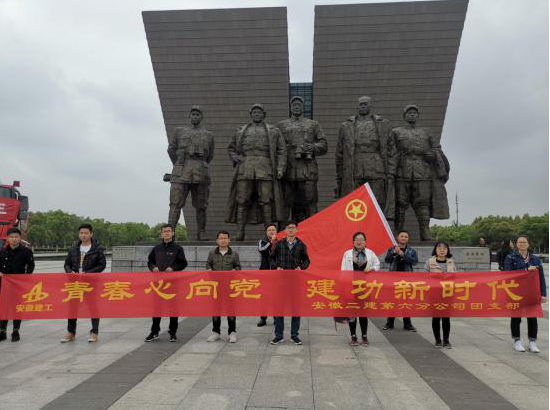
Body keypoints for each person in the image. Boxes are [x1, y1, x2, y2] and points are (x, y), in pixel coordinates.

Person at [226, 104, 287, 240]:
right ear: (251, 114)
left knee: (266, 201)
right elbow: (231, 148)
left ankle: (269, 234)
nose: (257, 114)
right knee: (242, 200)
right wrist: (235, 157)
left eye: (259, 112)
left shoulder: (274, 130)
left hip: (265, 168)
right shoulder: (241, 130)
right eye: (254, 112)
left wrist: (280, 168)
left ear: (264, 115)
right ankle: (240, 233)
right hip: (245, 167)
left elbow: (282, 151)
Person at [392, 105, 450, 240]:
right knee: (400, 204)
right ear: (404, 116)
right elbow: (391, 151)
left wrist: (433, 154)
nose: (412, 115)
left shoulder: (427, 132)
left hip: (422, 171)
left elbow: (437, 148)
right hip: (402, 171)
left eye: (414, 113)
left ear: (418, 116)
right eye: (409, 113)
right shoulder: (396, 132)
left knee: (423, 203)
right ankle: (397, 233)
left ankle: (425, 232)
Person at [335, 96, 395, 220]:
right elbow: (340, 152)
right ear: (357, 106)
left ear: (370, 106)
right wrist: (340, 174)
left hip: (376, 167)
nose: (363, 106)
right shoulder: (346, 125)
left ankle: (376, 226)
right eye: (360, 104)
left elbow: (391, 149)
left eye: (365, 104)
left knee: (377, 201)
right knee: (353, 203)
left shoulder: (383, 123)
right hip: (354, 167)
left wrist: (391, 171)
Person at [167, 105, 215, 241]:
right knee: (175, 203)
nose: (195, 117)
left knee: (201, 205)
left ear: (201, 117)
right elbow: (171, 150)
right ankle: (170, 233)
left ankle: (202, 232)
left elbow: (210, 156)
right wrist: (179, 163)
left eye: (197, 115)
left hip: (200, 172)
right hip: (181, 172)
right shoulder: (179, 131)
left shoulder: (209, 135)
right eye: (193, 114)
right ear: (189, 116)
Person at [277, 96, 328, 222]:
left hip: (307, 169)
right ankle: (282, 230)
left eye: (299, 104)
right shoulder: (281, 125)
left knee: (311, 200)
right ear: (290, 107)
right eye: (294, 104)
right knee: (285, 202)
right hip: (288, 170)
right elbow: (276, 147)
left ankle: (313, 229)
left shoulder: (313, 124)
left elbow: (324, 145)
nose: (296, 107)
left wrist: (313, 147)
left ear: (303, 107)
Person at [61, 224, 106, 343]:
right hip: (75, 283)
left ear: (91, 234)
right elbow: (66, 264)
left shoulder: (97, 249)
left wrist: (88, 273)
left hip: (90, 283)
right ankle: (71, 332)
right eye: (81, 233)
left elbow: (102, 265)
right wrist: (70, 272)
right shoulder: (73, 248)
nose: (83, 235)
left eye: (86, 233)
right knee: (72, 307)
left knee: (92, 307)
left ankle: (94, 332)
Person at [144, 224, 188, 342]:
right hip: (158, 284)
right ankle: (154, 332)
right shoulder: (157, 248)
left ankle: (172, 333)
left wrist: (173, 268)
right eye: (164, 231)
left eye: (169, 231)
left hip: (172, 283)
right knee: (156, 309)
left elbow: (183, 263)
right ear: (161, 234)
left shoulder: (178, 248)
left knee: (173, 309)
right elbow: (150, 262)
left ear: (173, 233)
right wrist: (153, 267)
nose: (167, 233)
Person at [504, 235, 547, 353]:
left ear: (528, 244)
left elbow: (541, 278)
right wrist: (526, 270)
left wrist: (543, 294)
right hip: (515, 292)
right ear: (516, 244)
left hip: (531, 292)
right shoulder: (511, 257)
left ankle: (532, 341)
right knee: (516, 317)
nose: (522, 244)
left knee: (532, 317)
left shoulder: (535, 259)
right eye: (520, 242)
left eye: (524, 242)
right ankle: (517, 341)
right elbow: (507, 273)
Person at [270, 221, 310, 345]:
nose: (291, 230)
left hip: (295, 281)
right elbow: (272, 258)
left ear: (297, 230)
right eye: (288, 228)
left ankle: (294, 335)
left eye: (293, 228)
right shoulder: (280, 243)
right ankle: (279, 335)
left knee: (296, 309)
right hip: (281, 281)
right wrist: (276, 267)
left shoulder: (301, 245)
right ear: (285, 230)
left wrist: (301, 267)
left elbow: (307, 261)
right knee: (279, 308)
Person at [340, 232, 380, 346]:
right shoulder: (347, 253)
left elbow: (377, 264)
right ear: (353, 242)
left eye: (361, 239)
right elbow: (343, 270)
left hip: (365, 287)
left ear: (365, 242)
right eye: (357, 239)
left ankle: (364, 336)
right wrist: (343, 286)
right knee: (352, 312)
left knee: (363, 312)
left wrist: (371, 269)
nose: (359, 241)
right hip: (351, 286)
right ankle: (353, 336)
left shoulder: (370, 253)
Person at [0, 227, 34, 342]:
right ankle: (2, 331)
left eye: (16, 237)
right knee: (3, 307)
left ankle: (15, 331)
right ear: (7, 238)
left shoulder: (26, 251)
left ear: (20, 238)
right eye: (11, 237)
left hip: (18, 285)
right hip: (3, 284)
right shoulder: (2, 251)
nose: (14, 239)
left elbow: (31, 265)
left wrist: (26, 277)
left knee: (17, 308)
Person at [206, 231, 241, 343]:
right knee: (216, 310)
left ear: (229, 240)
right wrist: (209, 269)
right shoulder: (212, 253)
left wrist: (235, 270)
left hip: (230, 287)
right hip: (216, 287)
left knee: (231, 311)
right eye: (221, 238)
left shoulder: (234, 253)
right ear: (217, 240)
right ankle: (216, 332)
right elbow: (208, 264)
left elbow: (238, 266)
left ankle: (232, 332)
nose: (223, 240)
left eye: (225, 238)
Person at [383, 230, 418, 331]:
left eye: (406, 237)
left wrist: (404, 255)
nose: (403, 238)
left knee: (406, 302)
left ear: (408, 239)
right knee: (392, 301)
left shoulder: (411, 251)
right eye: (402, 236)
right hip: (393, 279)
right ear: (397, 238)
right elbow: (387, 260)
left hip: (407, 279)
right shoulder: (392, 249)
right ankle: (389, 323)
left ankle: (407, 324)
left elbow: (414, 261)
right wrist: (394, 253)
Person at [424, 241, 456, 348]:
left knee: (446, 317)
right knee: (436, 317)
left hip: (448, 293)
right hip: (434, 293)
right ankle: (437, 340)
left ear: (447, 250)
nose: (442, 250)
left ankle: (446, 340)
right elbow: (424, 277)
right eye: (439, 248)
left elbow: (455, 276)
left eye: (444, 248)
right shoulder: (430, 262)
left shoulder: (451, 262)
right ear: (435, 250)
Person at [257, 223, 278, 327]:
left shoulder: (280, 242)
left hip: (276, 273)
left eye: (273, 230)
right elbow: (262, 250)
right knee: (264, 296)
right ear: (266, 232)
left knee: (276, 296)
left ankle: (276, 318)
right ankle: (263, 318)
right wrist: (270, 242)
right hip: (264, 273)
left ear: (276, 231)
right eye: (269, 230)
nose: (271, 231)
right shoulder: (262, 241)